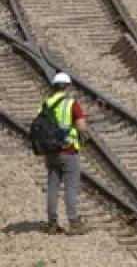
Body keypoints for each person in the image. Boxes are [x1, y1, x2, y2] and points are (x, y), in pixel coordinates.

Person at [43, 72, 87, 235]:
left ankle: (52, 222)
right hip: (69, 151)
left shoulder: (46, 104)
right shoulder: (71, 103)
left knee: (53, 187)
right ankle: (73, 222)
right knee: (70, 186)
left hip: (51, 152)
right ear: (67, 87)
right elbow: (82, 127)